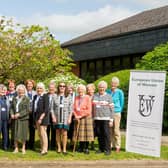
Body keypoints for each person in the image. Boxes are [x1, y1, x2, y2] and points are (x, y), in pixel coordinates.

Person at [51, 82, 73, 154]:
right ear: (58, 87)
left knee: (64, 133)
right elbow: (52, 108)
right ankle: (59, 148)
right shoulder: (54, 96)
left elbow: (71, 108)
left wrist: (69, 118)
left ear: (65, 87)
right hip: (57, 117)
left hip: (65, 117)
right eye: (60, 86)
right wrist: (53, 117)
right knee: (57, 132)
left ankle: (64, 149)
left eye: (63, 86)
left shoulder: (69, 96)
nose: (62, 87)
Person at [93, 81, 114, 155]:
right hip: (97, 118)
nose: (101, 89)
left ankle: (108, 149)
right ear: (98, 88)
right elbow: (93, 107)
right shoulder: (95, 95)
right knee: (99, 134)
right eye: (100, 87)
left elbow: (112, 109)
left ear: (105, 88)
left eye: (103, 87)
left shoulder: (109, 96)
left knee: (106, 134)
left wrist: (111, 120)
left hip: (105, 118)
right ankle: (101, 149)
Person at [73, 84, 94, 154]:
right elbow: (74, 108)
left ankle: (86, 148)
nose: (80, 91)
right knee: (79, 133)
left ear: (84, 90)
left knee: (86, 133)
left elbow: (89, 110)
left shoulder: (87, 97)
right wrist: (76, 115)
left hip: (86, 118)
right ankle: (81, 147)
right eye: (79, 90)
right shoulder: (76, 97)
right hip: (78, 117)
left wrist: (80, 115)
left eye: (81, 90)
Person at [10, 84, 30, 154]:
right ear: (17, 91)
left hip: (23, 119)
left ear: (24, 91)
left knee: (23, 134)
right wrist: (12, 114)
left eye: (22, 90)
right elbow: (11, 107)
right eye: (19, 90)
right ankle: (16, 148)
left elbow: (27, 110)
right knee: (15, 133)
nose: (20, 92)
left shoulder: (27, 99)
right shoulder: (14, 98)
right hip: (15, 118)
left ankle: (23, 148)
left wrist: (19, 114)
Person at [106, 77, 124, 152]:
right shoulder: (107, 91)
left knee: (116, 129)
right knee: (110, 129)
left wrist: (119, 110)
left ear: (117, 84)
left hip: (116, 112)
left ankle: (117, 146)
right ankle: (110, 145)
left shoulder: (120, 92)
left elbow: (122, 103)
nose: (113, 84)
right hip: (109, 112)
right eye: (112, 83)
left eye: (115, 83)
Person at [32, 82, 49, 155]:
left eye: (41, 88)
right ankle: (42, 148)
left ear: (43, 89)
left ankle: (45, 150)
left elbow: (46, 108)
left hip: (43, 117)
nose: (39, 89)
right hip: (36, 116)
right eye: (38, 88)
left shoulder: (45, 96)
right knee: (39, 133)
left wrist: (41, 118)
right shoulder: (35, 96)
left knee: (43, 133)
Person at [44, 81, 56, 150]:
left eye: (52, 88)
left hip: (54, 115)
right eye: (50, 87)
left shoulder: (56, 95)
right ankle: (47, 145)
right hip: (47, 115)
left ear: (54, 88)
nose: (51, 89)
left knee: (54, 130)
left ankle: (53, 145)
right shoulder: (46, 95)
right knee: (47, 130)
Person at [25, 79, 36, 150]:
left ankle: (32, 145)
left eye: (31, 84)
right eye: (28, 84)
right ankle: (25, 145)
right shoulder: (24, 92)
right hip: (25, 113)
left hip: (33, 114)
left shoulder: (35, 93)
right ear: (26, 85)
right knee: (25, 129)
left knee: (32, 129)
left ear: (33, 85)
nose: (29, 85)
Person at [0, 84, 10, 150]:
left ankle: (5, 146)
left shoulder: (7, 98)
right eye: (1, 90)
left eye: (4, 90)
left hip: (6, 119)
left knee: (5, 133)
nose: (3, 91)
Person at [86, 83, 96, 150]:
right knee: (87, 130)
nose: (89, 91)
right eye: (88, 90)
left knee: (94, 131)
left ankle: (92, 144)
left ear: (93, 90)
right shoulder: (86, 97)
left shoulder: (96, 96)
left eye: (91, 90)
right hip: (87, 116)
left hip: (95, 115)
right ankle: (86, 144)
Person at [67, 84, 76, 149]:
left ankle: (72, 143)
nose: (70, 89)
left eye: (71, 88)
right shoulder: (66, 95)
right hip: (66, 114)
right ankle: (66, 142)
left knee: (73, 129)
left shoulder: (76, 95)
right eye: (68, 88)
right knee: (67, 129)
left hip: (74, 114)